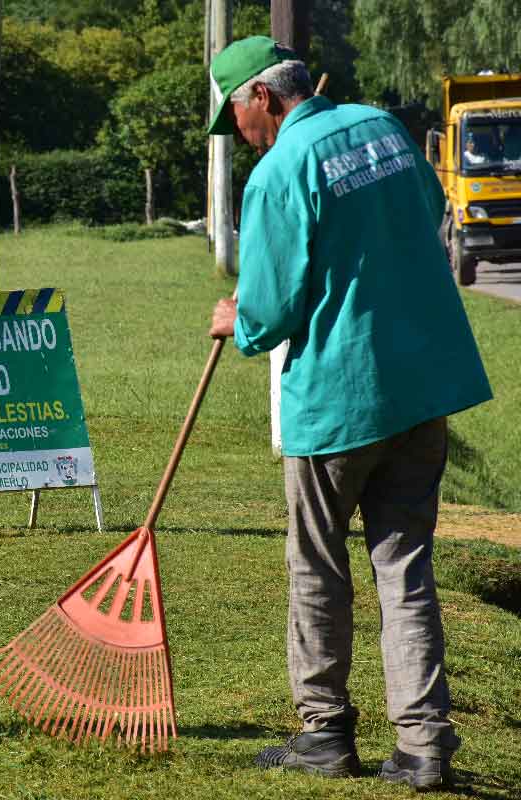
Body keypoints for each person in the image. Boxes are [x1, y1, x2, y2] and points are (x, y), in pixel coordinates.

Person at [205, 37, 492, 790]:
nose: (238, 133)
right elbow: (429, 212)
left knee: (317, 566)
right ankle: (424, 745)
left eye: (234, 116)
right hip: (421, 387)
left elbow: (269, 311)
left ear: (262, 97)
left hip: (338, 399)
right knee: (405, 565)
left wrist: (237, 319)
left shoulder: (278, 173)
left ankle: (325, 732)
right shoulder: (383, 129)